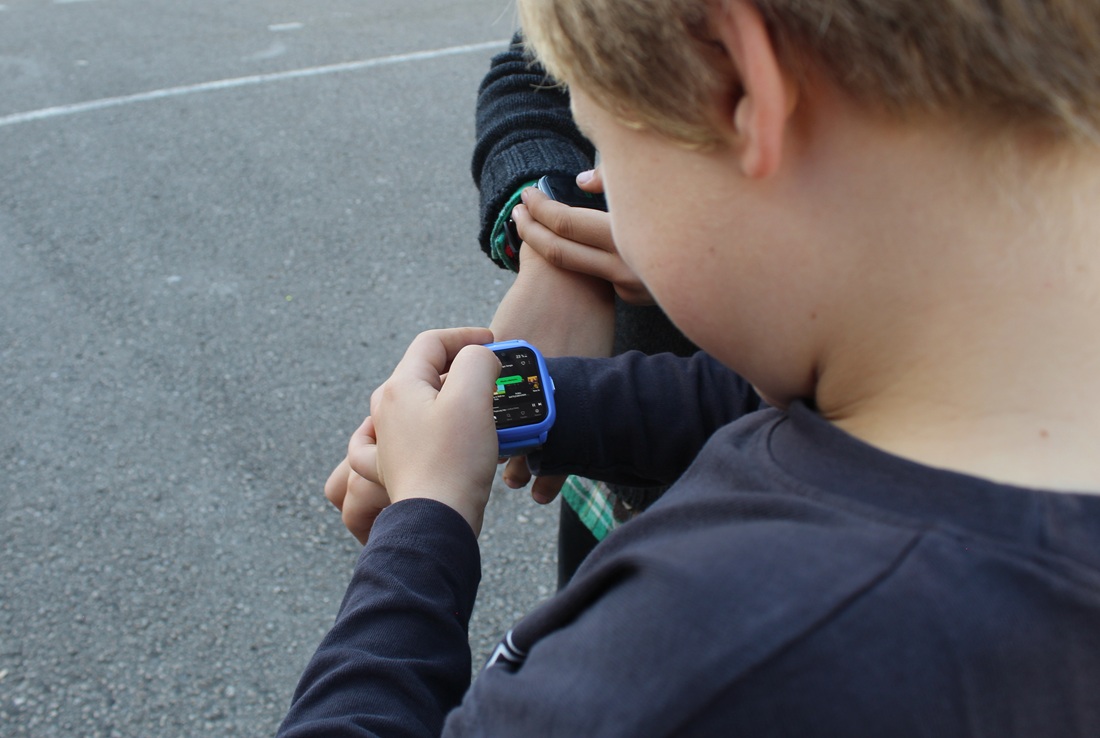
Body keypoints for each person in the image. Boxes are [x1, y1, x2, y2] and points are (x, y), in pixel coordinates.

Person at [280, 0, 1100, 735]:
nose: (605, 186)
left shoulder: (678, 665)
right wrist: (529, 403)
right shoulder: (937, 377)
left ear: (740, 86)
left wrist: (425, 524)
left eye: (601, 147)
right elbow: (746, 406)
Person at [472, 33, 696, 586]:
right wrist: (561, 250)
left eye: (613, 147)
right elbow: (531, 73)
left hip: (708, 510)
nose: (603, 184)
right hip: (604, 455)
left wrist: (419, 535)